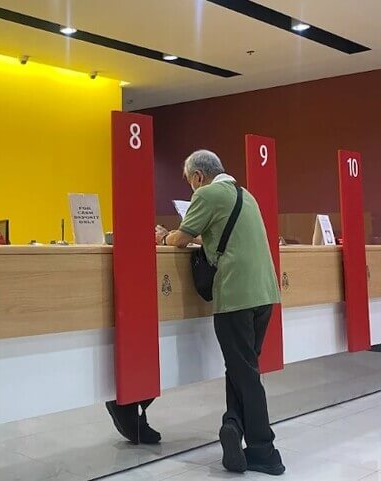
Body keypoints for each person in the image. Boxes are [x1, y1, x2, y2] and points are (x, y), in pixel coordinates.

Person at [155, 150, 284, 476]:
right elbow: (217, 233)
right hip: (265, 294)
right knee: (243, 369)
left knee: (245, 373)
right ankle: (232, 426)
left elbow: (181, 239)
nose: (191, 188)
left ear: (198, 176)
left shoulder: (207, 194)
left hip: (235, 294)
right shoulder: (245, 195)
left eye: (189, 182)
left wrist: (163, 236)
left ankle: (265, 451)